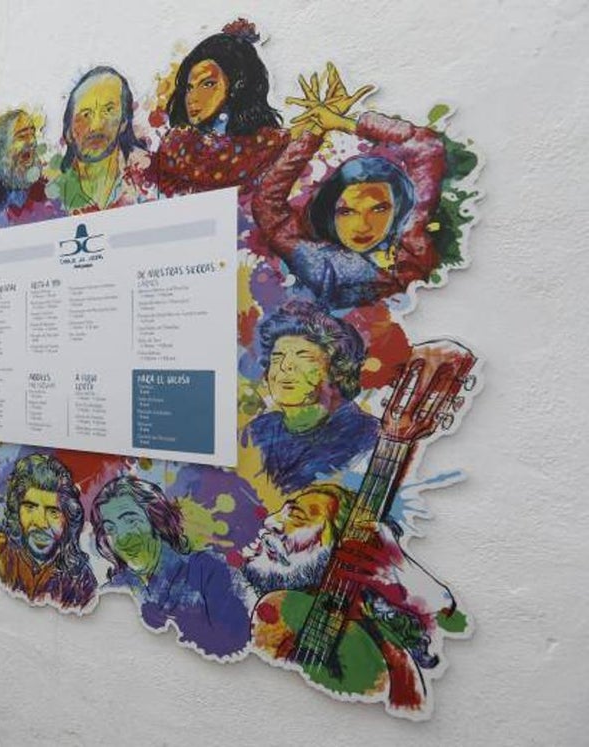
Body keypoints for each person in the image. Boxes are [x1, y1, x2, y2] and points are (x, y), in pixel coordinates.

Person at [240, 483, 464, 712]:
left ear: (343, 551)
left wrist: (414, 582)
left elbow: (455, 626)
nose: (270, 521)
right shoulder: (262, 605)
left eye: (297, 516)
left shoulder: (386, 656)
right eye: (283, 511)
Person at [253, 65, 446, 308]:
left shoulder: (411, 248)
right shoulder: (316, 259)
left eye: (379, 209)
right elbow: (267, 202)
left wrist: (345, 123)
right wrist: (315, 132)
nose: (363, 225)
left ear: (399, 209)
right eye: (347, 212)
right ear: (330, 212)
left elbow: (425, 145)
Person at [91, 476, 251, 659]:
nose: (122, 538)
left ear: (157, 520)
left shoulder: (210, 571)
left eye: (130, 521)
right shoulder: (112, 592)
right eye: (110, 529)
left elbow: (240, 648)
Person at [242, 300, 379, 493]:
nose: (285, 367)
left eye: (303, 356)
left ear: (338, 368)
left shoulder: (368, 437)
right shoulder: (257, 432)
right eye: (277, 357)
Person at [149, 19, 289, 197]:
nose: (193, 98)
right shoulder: (176, 147)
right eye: (189, 88)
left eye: (207, 84)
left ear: (237, 83)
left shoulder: (269, 144)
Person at [0, 454, 97, 610]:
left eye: (53, 512)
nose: (41, 523)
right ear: (16, 511)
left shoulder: (79, 580)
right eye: (30, 508)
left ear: (67, 519)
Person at [50, 66, 150, 212]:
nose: (96, 126)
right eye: (85, 114)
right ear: (68, 132)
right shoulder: (52, 197)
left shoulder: (150, 181)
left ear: (123, 122)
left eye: (108, 110)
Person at [0, 109, 56, 226]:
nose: (32, 142)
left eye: (32, 134)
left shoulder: (44, 192)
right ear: (0, 148)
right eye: (22, 136)